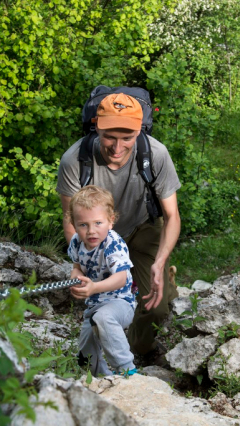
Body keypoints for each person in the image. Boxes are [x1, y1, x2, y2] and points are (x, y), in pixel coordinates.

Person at [57, 92, 181, 357]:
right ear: (96, 128)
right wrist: (79, 264)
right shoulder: (74, 160)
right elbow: (70, 218)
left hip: (143, 227)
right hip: (97, 236)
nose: (117, 147)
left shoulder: (156, 155)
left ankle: (142, 349)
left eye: (127, 138)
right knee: (103, 296)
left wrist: (159, 263)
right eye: (109, 136)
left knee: (156, 305)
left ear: (139, 132)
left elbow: (172, 215)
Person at [66, 185, 137, 376]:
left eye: (98, 223)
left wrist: (94, 287)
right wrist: (75, 278)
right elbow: (77, 266)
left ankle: (128, 371)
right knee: (85, 355)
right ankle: (103, 379)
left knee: (103, 318)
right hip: (94, 305)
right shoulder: (76, 242)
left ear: (110, 221)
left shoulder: (113, 244)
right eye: (83, 225)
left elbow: (121, 278)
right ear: (74, 223)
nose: (91, 231)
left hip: (120, 302)